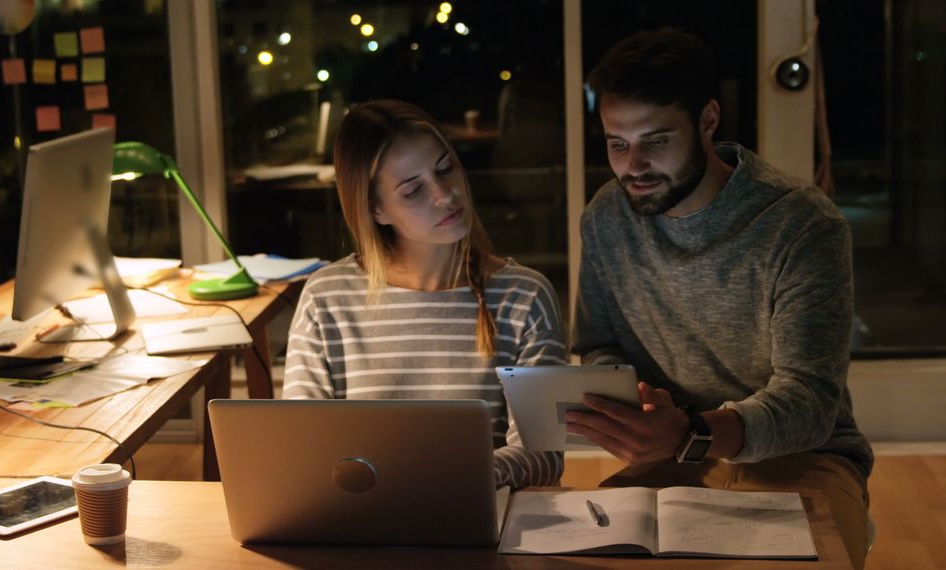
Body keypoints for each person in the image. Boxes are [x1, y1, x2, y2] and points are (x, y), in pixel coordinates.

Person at [568, 28, 873, 567]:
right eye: (617, 143)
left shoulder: (799, 223)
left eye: (655, 140)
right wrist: (630, 403)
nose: (632, 166)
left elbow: (812, 402)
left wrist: (691, 432)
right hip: (667, 452)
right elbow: (599, 344)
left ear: (708, 121)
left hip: (802, 455)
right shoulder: (607, 217)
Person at [284, 99, 566, 490]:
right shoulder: (327, 297)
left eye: (445, 168)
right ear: (376, 210)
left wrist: (447, 481)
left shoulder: (526, 296)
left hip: (482, 521)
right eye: (413, 190)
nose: (445, 195)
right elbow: (302, 442)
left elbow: (544, 455)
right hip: (361, 522)